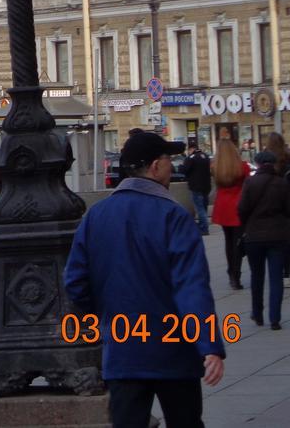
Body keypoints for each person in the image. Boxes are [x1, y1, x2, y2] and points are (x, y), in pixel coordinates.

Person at [65, 131, 225, 428]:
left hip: (123, 347)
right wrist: (209, 346)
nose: (171, 165)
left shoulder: (96, 216)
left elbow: (75, 282)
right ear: (155, 166)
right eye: (168, 159)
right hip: (174, 349)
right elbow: (191, 287)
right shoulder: (174, 217)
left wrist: (106, 317)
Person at [238, 150, 290, 330]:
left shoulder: (250, 182)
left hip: (254, 237)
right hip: (277, 236)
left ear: (258, 163)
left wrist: (248, 224)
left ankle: (257, 313)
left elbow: (241, 209)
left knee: (257, 276)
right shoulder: (282, 183)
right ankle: (275, 318)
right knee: (276, 277)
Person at [262, 132, 290, 288]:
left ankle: (275, 272)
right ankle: (286, 275)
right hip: (288, 206)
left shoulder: (265, 160)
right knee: (287, 242)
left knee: (272, 241)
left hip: (270, 206)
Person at [211, 138, 251, 290]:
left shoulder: (216, 167)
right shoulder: (242, 167)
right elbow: (248, 186)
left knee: (228, 241)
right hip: (238, 206)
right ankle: (236, 274)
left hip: (222, 206)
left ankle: (231, 273)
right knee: (238, 241)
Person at [183, 143, 212, 236]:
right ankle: (203, 224)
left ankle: (204, 228)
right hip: (206, 185)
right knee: (204, 206)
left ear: (191, 149)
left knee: (199, 208)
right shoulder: (206, 156)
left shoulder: (191, 157)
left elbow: (185, 169)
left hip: (196, 185)